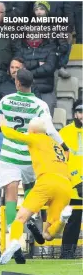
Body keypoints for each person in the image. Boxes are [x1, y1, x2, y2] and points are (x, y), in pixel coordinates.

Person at [0, 68, 69, 263]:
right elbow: (49, 129)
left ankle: (12, 238)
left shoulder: (6, 100)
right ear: (32, 83)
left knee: (10, 193)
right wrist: (63, 145)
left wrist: (2, 122)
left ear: (17, 82)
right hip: (31, 157)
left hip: (9, 153)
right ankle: (32, 219)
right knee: (31, 189)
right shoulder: (40, 104)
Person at [0, 115, 73, 265]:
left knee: (20, 218)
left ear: (32, 130)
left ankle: (14, 242)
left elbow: (11, 135)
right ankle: (63, 220)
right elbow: (67, 154)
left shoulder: (36, 138)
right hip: (65, 185)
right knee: (48, 235)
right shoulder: (56, 145)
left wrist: (2, 123)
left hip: (47, 181)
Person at [58, 100, 83, 259]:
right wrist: (77, 182)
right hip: (74, 186)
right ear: (75, 113)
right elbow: (61, 160)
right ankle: (67, 254)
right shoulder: (64, 132)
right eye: (80, 111)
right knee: (73, 222)